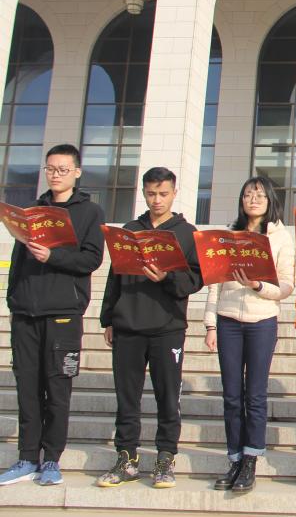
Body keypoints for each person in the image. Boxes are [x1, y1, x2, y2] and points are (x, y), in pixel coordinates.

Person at [0, 144, 105, 487]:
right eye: (50, 169)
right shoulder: (32, 211)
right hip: (26, 312)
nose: (55, 175)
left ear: (77, 172)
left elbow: (91, 260)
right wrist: (13, 300)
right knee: (27, 388)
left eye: (62, 169)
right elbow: (18, 262)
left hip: (63, 314)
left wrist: (53, 256)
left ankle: (51, 460)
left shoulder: (89, 212)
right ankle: (27, 457)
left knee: (57, 388)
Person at [97, 167, 203, 489]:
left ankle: (165, 458)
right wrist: (108, 318)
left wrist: (167, 277)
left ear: (174, 193)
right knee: (126, 397)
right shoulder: (130, 230)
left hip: (167, 327)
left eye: (163, 193)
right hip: (128, 325)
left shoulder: (187, 233)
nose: (157, 200)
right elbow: (115, 277)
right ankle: (126, 458)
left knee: (167, 397)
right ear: (144, 193)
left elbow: (195, 280)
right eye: (151, 193)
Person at [204, 177, 295, 493]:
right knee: (231, 395)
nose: (253, 199)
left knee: (255, 395)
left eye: (259, 194)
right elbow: (214, 283)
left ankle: (251, 460)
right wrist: (210, 324)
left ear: (270, 200)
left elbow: (286, 285)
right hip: (228, 320)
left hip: (262, 321)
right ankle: (234, 459)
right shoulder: (229, 235)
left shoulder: (281, 237)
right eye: (247, 194)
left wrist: (257, 285)